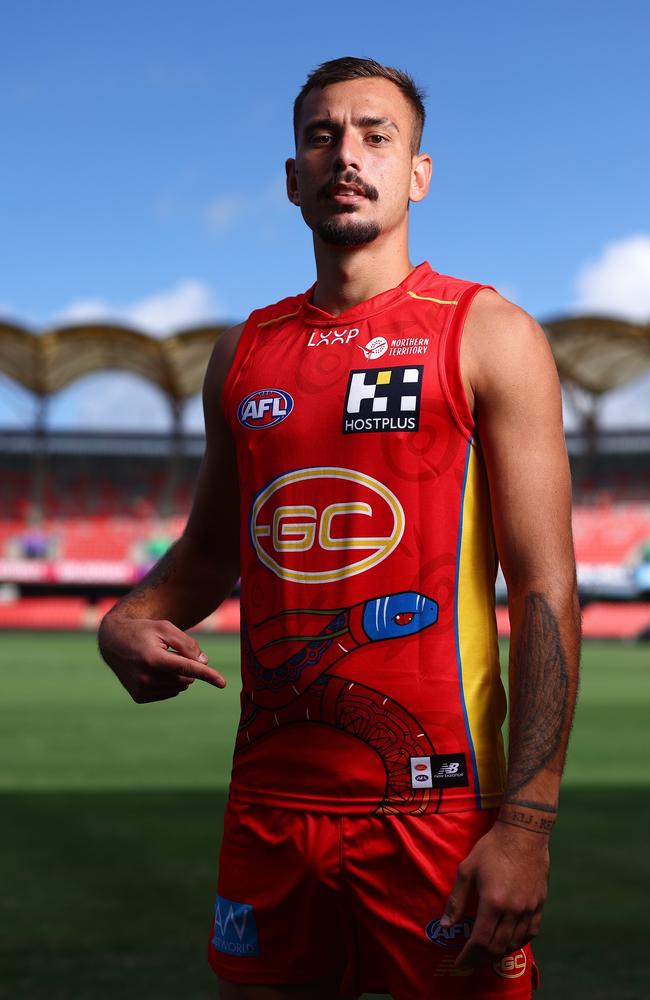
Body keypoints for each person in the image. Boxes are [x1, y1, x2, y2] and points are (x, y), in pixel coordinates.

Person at [99, 56, 580, 999]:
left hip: (437, 808)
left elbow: (543, 590)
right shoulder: (243, 351)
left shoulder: (486, 333)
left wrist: (525, 827)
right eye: (322, 136)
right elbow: (210, 548)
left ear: (419, 173)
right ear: (292, 176)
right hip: (271, 806)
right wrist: (126, 618)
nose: (346, 155)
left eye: (375, 135)